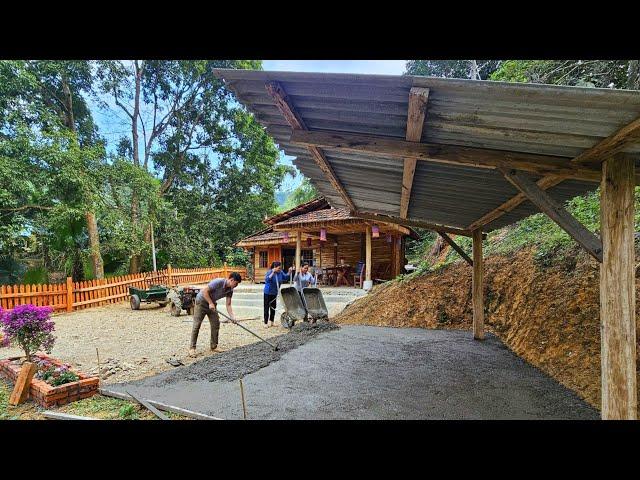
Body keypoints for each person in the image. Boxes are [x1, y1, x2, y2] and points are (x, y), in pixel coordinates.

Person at [189, 272, 241, 357]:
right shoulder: (218, 282)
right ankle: (192, 348)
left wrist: (232, 317)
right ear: (232, 280)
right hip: (201, 301)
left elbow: (228, 304)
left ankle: (213, 346)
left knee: (216, 323)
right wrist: (210, 303)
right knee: (197, 324)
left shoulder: (230, 290)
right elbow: (205, 291)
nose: (236, 286)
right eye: (236, 283)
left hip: (212, 304)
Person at [264, 261, 293, 328]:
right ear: (274, 267)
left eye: (280, 268)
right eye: (278, 268)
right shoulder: (270, 272)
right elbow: (267, 280)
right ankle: (265, 323)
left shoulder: (280, 272)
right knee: (267, 307)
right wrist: (273, 272)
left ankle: (272, 322)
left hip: (275, 292)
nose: (280, 269)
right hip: (268, 292)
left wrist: (289, 272)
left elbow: (285, 277)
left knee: (273, 307)